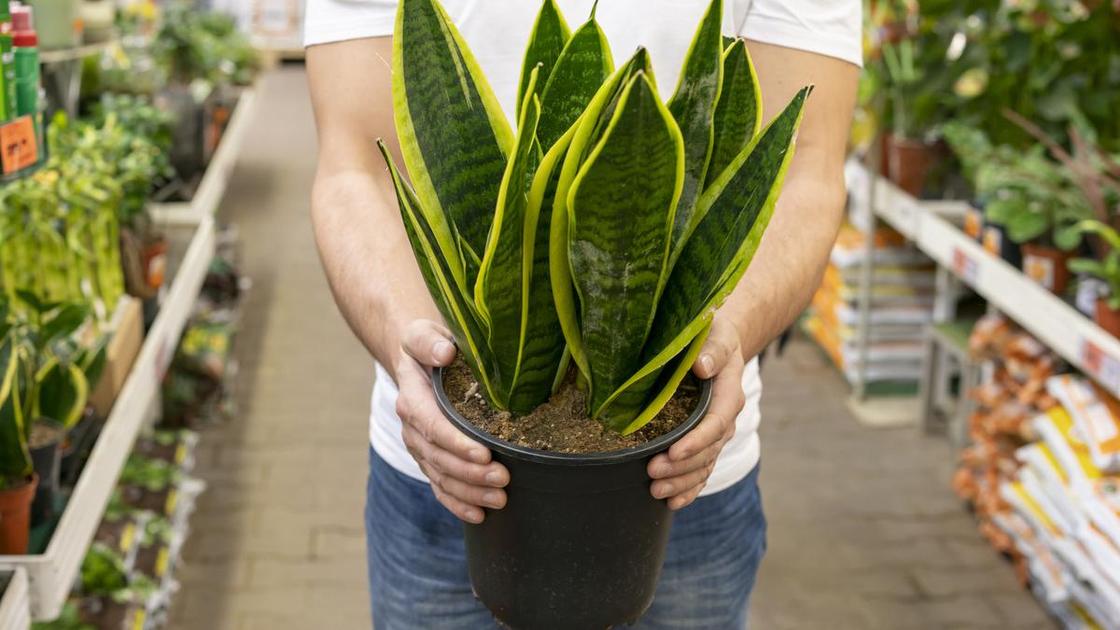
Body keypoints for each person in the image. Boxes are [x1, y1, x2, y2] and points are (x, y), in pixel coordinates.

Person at [304, 0, 859, 627]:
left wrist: (725, 334)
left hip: (685, 480)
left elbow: (806, 167)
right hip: (442, 466)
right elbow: (353, 168)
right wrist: (409, 348)